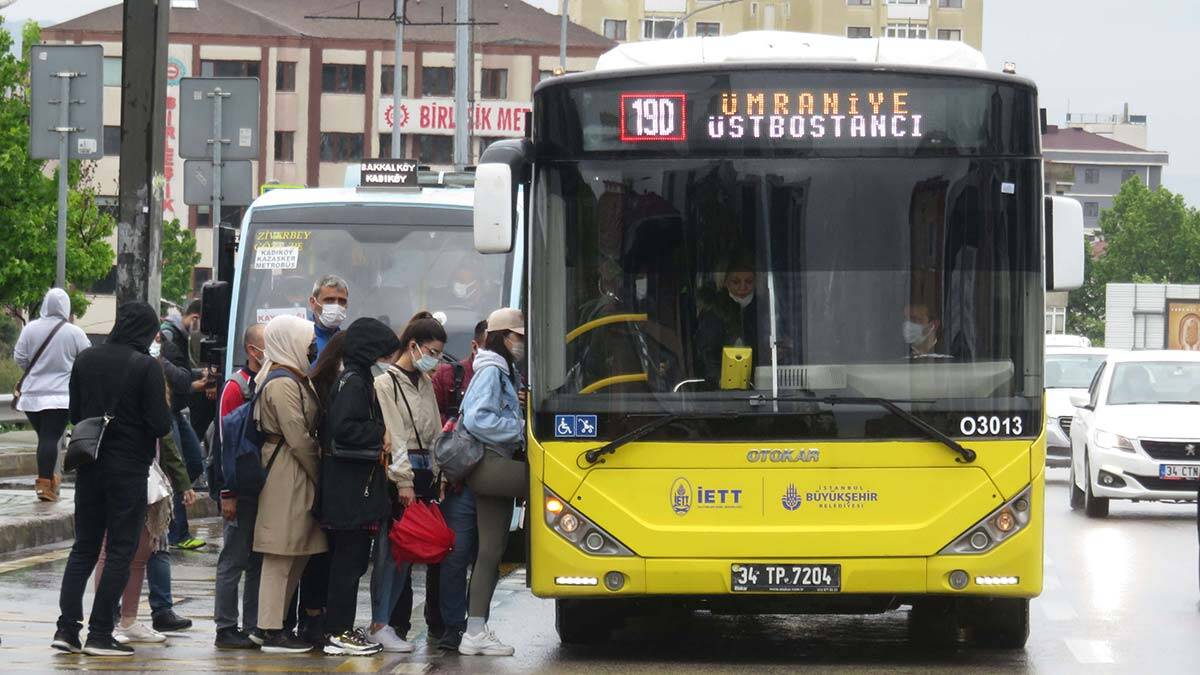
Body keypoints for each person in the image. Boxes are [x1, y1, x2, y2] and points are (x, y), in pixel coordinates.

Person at [53, 302, 173, 657]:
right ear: (146, 330)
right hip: (128, 469)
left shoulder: (86, 359)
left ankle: (67, 630)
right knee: (121, 548)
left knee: (84, 547)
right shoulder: (146, 366)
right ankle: (101, 633)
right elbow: (161, 424)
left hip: (89, 464)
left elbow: (75, 413)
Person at [312, 318, 400, 656]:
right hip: (349, 490)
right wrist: (381, 434)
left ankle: (339, 628)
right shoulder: (354, 382)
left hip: (352, 487)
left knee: (350, 563)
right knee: (347, 565)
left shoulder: (358, 378)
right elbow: (345, 428)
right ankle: (338, 631)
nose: (386, 359)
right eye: (383, 352)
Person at [93, 372, 196, 646]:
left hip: (140, 482)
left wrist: (183, 483)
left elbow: (169, 447)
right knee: (116, 550)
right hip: (129, 482)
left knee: (142, 551)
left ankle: (125, 619)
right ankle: (109, 619)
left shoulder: (131, 399)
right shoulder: (136, 405)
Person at [371, 312, 447, 652]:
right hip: (400, 473)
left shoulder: (425, 381)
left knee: (408, 551)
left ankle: (388, 624)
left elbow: (434, 430)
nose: (436, 359)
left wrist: (439, 472)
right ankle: (380, 622)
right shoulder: (385, 383)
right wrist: (403, 481)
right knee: (391, 552)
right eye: (432, 351)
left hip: (425, 471)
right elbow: (395, 435)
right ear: (413, 346)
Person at [252, 315, 327, 654]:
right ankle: (269, 629)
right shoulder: (282, 382)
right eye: (307, 341)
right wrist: (320, 472)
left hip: (295, 471)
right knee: (281, 554)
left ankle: (277, 625)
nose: (312, 347)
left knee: (297, 550)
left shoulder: (294, 376)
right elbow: (297, 437)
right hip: (287, 471)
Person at [457, 308, 530, 657]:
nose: (522, 343)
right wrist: (519, 430)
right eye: (518, 337)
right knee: (555, 482)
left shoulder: (504, 370)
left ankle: (474, 631)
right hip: (489, 463)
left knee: (491, 550)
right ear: (503, 337)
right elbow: (476, 418)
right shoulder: (491, 370)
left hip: (495, 464)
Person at [429, 319, 486, 650]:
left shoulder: (513, 380)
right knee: (455, 555)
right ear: (476, 346)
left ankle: (478, 623)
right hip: (458, 484)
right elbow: (431, 422)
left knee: (485, 557)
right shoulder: (450, 376)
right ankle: (452, 625)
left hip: (493, 483)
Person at [213, 324, 267, 649]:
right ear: (252, 350)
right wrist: (226, 493)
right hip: (240, 489)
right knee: (234, 558)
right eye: (266, 344)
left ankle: (253, 624)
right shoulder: (236, 387)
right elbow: (224, 445)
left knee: (259, 559)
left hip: (262, 488)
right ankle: (226, 627)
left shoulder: (267, 383)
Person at [13, 288, 91, 502]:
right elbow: (87, 360)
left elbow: (19, 357)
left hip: (31, 396)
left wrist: (36, 371)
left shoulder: (30, 329)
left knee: (45, 438)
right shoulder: (74, 332)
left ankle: (49, 481)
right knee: (50, 438)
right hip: (60, 396)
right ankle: (44, 484)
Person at [160, 303, 209, 552]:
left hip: (176, 411)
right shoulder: (167, 337)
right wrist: (193, 384)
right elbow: (174, 376)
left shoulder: (179, 336)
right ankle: (177, 532)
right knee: (176, 467)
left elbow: (182, 373)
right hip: (166, 410)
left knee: (193, 462)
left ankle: (173, 504)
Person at [695, 261, 759, 383]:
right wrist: (719, 379)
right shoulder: (714, 310)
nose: (742, 286)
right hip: (720, 384)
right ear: (725, 283)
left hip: (762, 384)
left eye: (749, 282)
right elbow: (706, 351)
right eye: (736, 282)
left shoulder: (765, 308)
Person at [309, 275, 350, 357]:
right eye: (329, 300)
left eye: (342, 301)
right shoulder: (301, 339)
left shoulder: (348, 342)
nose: (336, 305)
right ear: (313, 302)